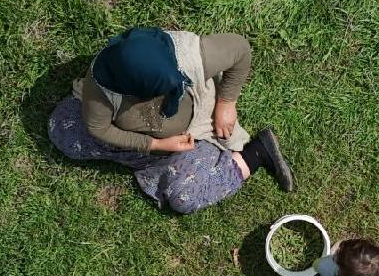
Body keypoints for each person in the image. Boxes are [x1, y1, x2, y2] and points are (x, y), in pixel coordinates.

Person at [47, 27, 294, 214]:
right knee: (62, 131)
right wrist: (155, 146)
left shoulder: (190, 55)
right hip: (149, 136)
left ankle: (256, 154)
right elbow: (99, 128)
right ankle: (154, 161)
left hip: (197, 124)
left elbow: (239, 49)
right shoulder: (101, 87)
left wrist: (226, 102)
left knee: (183, 197)